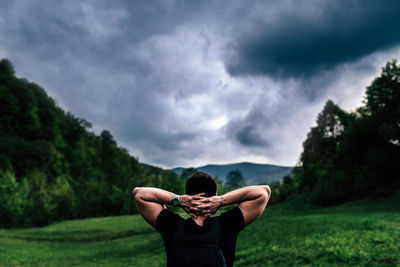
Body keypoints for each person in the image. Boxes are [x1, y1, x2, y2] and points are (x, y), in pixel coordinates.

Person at [133, 171, 271, 267]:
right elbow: (263, 192)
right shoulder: (226, 224)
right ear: (214, 195)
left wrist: (178, 200)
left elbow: (140, 193)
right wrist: (222, 200)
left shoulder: (172, 225)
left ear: (187, 194)